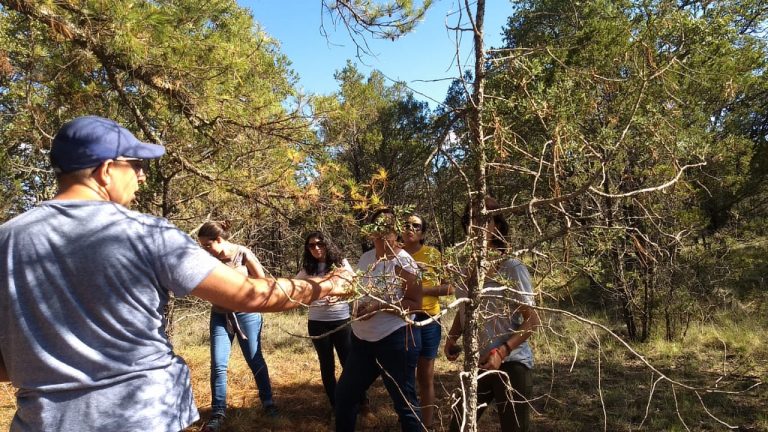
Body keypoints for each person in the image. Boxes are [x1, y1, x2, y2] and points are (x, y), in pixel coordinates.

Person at [0, 116, 351, 432]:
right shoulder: (147, 232)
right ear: (106, 170)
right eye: (135, 164)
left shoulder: (7, 239)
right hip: (142, 417)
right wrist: (327, 284)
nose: (142, 175)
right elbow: (252, 295)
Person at [444, 197, 540, 432]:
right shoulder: (467, 267)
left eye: (484, 218)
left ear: (496, 224)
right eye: (471, 218)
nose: (476, 225)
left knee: (514, 428)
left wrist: (502, 351)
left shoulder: (512, 267)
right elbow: (466, 307)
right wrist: (452, 338)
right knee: (459, 425)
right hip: (477, 361)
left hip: (512, 363)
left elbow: (532, 320)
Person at [334, 208, 424, 432]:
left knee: (405, 406)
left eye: (389, 227)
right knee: (344, 396)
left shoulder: (404, 263)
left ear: (396, 231)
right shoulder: (366, 258)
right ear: (371, 231)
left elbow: (415, 304)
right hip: (362, 342)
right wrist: (356, 306)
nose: (383, 232)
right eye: (378, 227)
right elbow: (361, 293)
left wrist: (380, 306)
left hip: (396, 341)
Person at [198, 221, 278, 432]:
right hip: (220, 316)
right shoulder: (208, 260)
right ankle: (218, 412)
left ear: (219, 240)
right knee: (218, 364)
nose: (204, 249)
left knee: (254, 359)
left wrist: (244, 294)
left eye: (207, 245)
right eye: (202, 246)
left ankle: (268, 403)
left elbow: (262, 281)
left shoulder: (242, 253)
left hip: (247, 315)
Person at [401, 213, 452, 431]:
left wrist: (422, 291)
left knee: (425, 374)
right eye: (407, 225)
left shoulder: (433, 254)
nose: (411, 228)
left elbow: (449, 287)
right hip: (403, 320)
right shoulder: (397, 255)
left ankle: (427, 424)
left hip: (430, 319)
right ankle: (409, 419)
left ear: (423, 232)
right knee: (404, 375)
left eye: (417, 226)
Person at [295, 232, 354, 410]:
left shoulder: (340, 264)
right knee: (326, 364)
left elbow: (354, 285)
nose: (316, 248)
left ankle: (359, 401)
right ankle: (335, 404)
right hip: (317, 322)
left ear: (328, 244)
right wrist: (308, 298)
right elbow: (294, 288)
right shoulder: (307, 269)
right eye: (311, 245)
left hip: (340, 320)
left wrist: (340, 295)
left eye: (320, 244)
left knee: (348, 362)